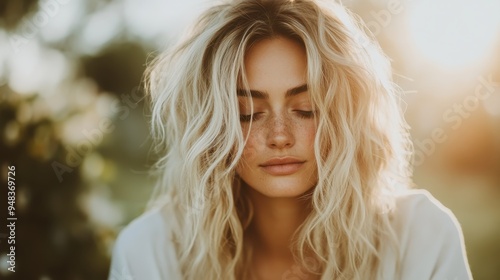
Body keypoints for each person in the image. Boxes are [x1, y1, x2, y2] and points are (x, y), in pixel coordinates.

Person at [108, 0, 472, 279]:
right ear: (210, 126)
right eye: (247, 113)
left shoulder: (423, 239)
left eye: (306, 108)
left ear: (346, 115)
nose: (279, 136)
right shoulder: (149, 254)